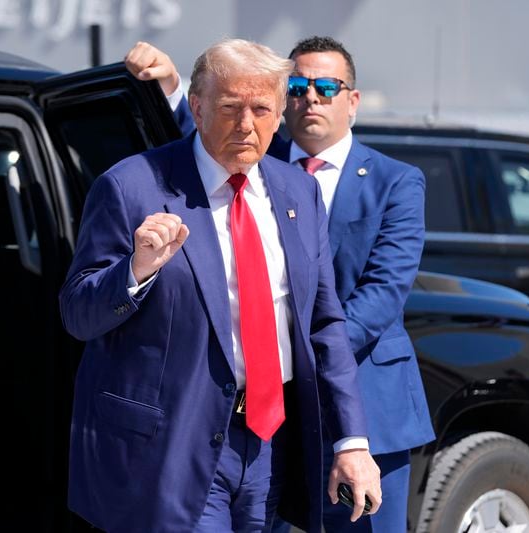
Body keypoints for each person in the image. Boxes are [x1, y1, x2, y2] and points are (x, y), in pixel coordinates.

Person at [60, 38, 381, 533]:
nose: (246, 124)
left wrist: (352, 442)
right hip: (170, 444)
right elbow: (78, 313)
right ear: (197, 106)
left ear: (280, 114)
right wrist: (136, 270)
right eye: (231, 107)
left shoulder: (298, 191)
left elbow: (324, 322)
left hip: (268, 444)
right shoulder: (132, 186)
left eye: (261, 108)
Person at [126, 35, 434, 532]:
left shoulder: (396, 181)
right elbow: (202, 142)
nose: (310, 96)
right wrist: (170, 86)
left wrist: (299, 355)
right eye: (297, 84)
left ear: (352, 100)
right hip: (267, 415)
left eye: (327, 86)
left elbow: (381, 294)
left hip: (364, 405)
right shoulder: (251, 161)